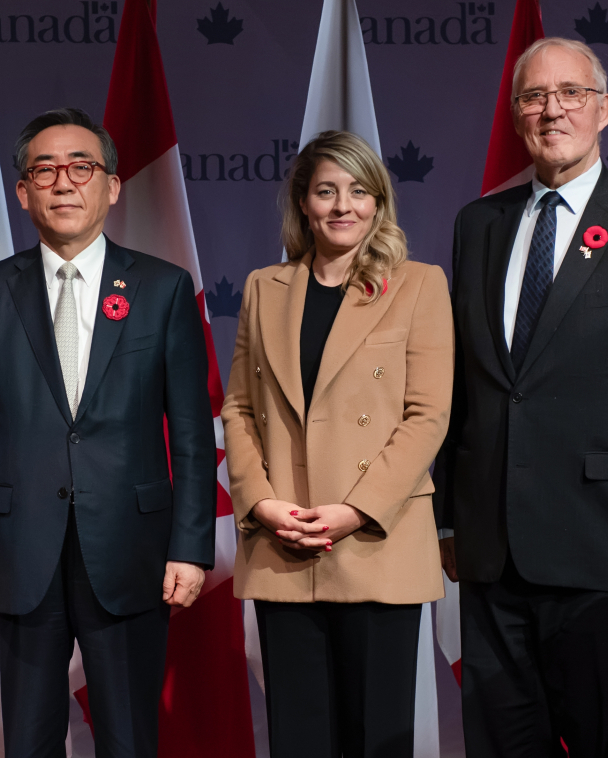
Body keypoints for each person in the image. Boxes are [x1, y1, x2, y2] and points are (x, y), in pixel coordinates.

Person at [434, 38, 608, 756]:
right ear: (516, 114)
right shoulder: (478, 225)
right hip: (493, 558)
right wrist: (446, 521)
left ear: (604, 110)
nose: (551, 109)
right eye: (533, 96)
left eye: (569, 94)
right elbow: (462, 388)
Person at [0, 107, 216, 758]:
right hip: (19, 554)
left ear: (112, 186)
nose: (64, 182)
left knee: (128, 738)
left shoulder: (163, 289)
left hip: (133, 551)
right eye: (45, 169)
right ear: (23, 191)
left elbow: (191, 433)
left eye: (81, 167)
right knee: (30, 741)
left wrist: (191, 547)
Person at [221, 130, 454, 757]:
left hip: (377, 541)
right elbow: (239, 406)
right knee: (297, 740)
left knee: (377, 739)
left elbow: (427, 416)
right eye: (326, 191)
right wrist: (261, 502)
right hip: (284, 542)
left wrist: (355, 511)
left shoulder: (419, 284)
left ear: (379, 203)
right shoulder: (263, 288)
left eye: (358, 191)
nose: (342, 206)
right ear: (304, 203)